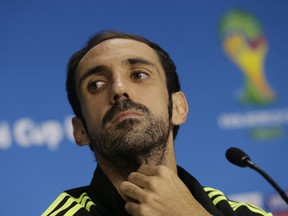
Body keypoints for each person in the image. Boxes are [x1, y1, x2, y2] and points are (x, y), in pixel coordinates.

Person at [42, 30, 272, 216]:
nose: (119, 89)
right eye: (96, 85)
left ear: (178, 108)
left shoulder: (242, 213)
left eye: (139, 75)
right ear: (80, 130)